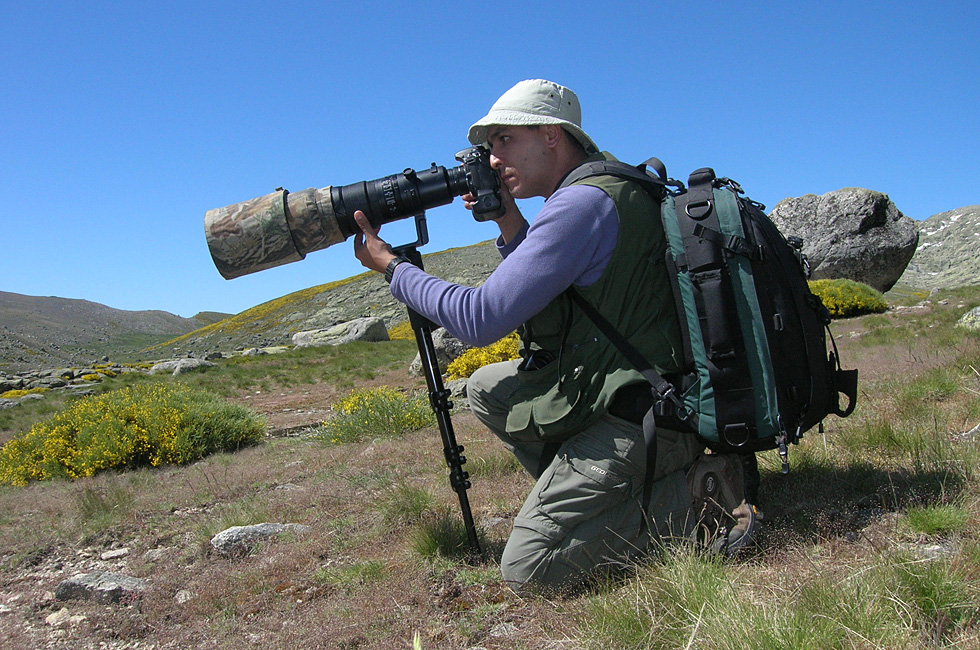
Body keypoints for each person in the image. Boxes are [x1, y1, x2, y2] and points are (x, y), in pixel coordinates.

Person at [353, 79, 754, 591]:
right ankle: (602, 495)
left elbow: (481, 319)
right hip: (650, 392)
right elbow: (563, 304)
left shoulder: (580, 205)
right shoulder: (605, 187)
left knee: (528, 569)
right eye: (489, 147)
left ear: (549, 135)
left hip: (645, 414)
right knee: (485, 388)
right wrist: (508, 219)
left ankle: (699, 497)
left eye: (504, 141)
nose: (493, 159)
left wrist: (393, 270)